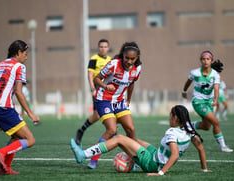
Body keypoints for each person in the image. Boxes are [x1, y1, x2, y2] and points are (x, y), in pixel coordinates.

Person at [70, 105, 211, 175]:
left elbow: (174, 154)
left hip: (153, 163)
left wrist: (160, 173)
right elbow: (200, 148)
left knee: (119, 138)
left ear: (175, 118)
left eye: (170, 116)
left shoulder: (172, 132)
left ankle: (83, 155)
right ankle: (132, 158)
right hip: (156, 154)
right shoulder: (188, 129)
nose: (169, 118)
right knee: (133, 140)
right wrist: (204, 169)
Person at [0, 40, 40, 175]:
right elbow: (18, 92)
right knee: (30, 140)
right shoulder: (19, 67)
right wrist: (31, 113)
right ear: (18, 52)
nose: (26, 57)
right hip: (3, 108)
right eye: (25, 53)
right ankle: (1, 152)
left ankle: (4, 168)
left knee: (16, 136)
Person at [85, 42, 142, 169]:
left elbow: (132, 83)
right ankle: (93, 160)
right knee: (112, 130)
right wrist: (105, 86)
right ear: (123, 56)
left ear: (137, 58)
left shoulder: (137, 69)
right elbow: (96, 79)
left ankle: (135, 160)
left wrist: (128, 100)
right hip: (103, 99)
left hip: (120, 101)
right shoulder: (114, 64)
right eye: (126, 58)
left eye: (132, 59)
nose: (129, 61)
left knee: (131, 130)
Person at [182, 51, 233, 152]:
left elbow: (217, 89)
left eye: (208, 59)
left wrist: (216, 99)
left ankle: (187, 125)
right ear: (200, 60)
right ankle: (222, 146)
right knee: (215, 122)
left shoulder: (215, 75)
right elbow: (188, 82)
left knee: (206, 126)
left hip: (208, 103)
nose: (205, 61)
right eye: (203, 59)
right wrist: (184, 91)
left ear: (211, 61)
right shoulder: (194, 72)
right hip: (198, 102)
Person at [75, 39, 111, 145]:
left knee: (111, 111)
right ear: (98, 48)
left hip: (108, 90)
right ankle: (81, 130)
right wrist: (92, 88)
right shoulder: (94, 59)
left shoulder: (110, 59)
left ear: (108, 48)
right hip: (98, 89)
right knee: (96, 115)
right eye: (101, 47)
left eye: (105, 47)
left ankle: (113, 133)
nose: (103, 49)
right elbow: (90, 75)